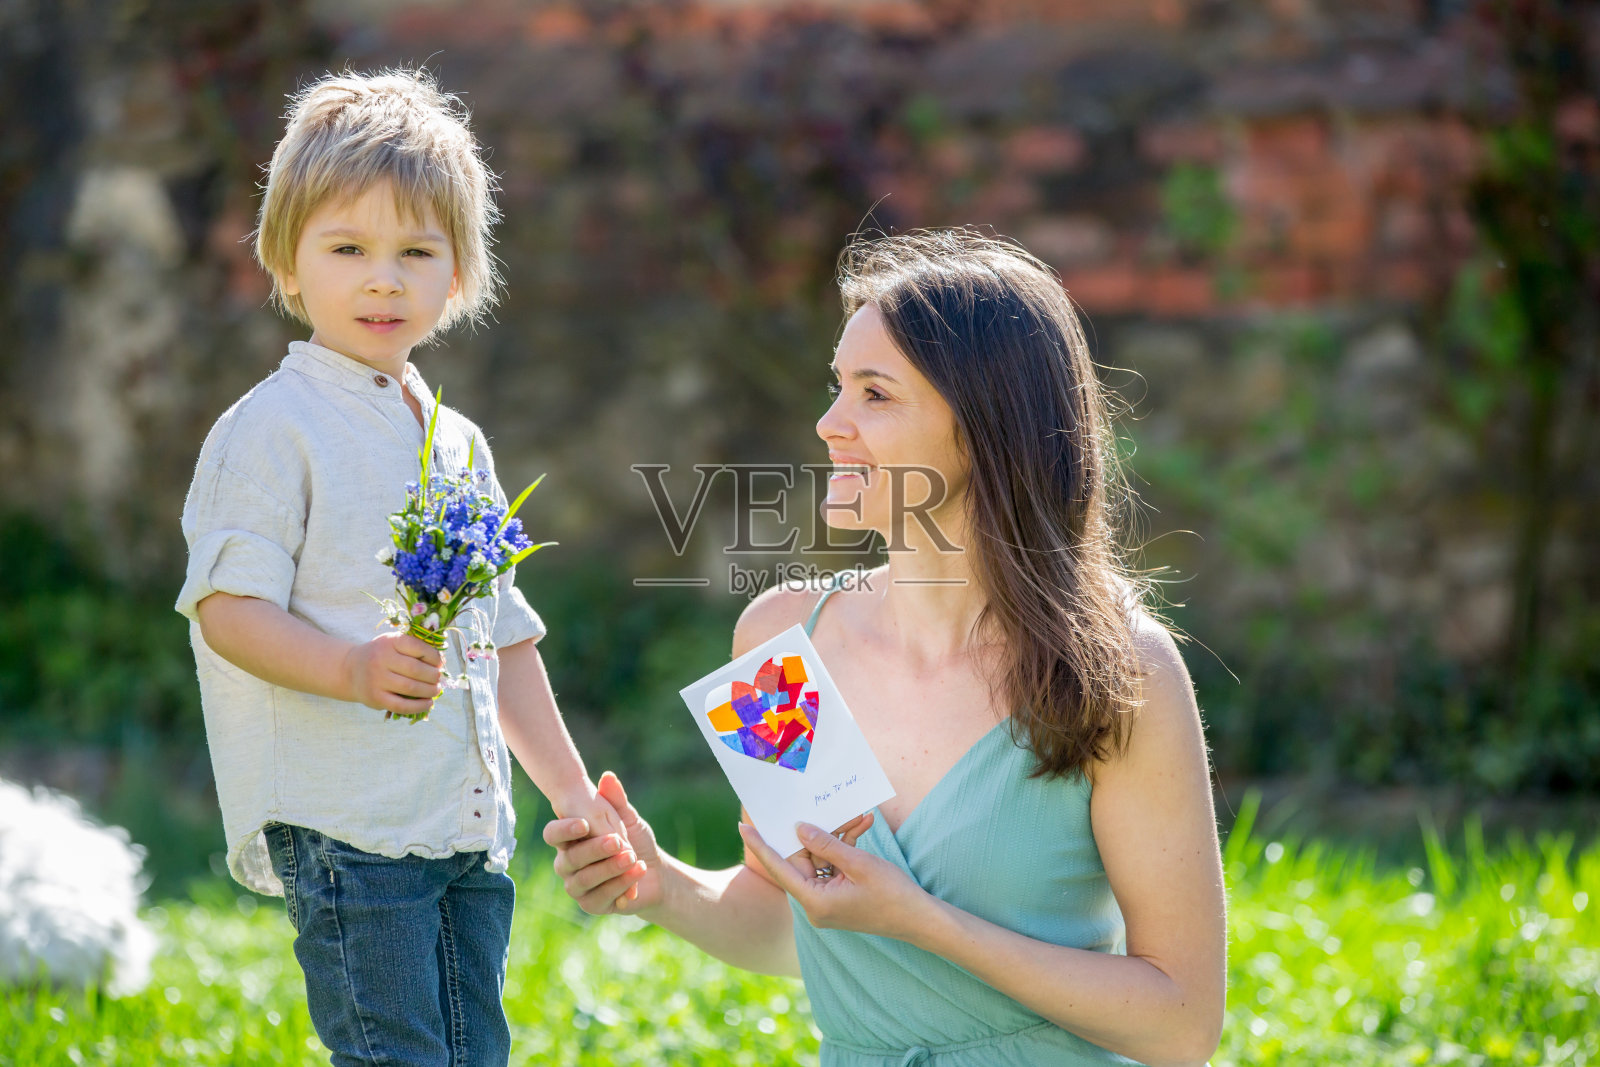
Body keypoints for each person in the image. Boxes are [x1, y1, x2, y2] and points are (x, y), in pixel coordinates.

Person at [545, 230, 1227, 1066]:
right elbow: (803, 926)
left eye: (875, 394)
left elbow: (1182, 1023)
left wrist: (926, 922)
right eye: (839, 388)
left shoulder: (1121, 671)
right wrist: (661, 886)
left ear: (984, 428)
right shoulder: (779, 640)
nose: (831, 424)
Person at [174, 69, 622, 1067]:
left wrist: (571, 793)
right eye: (347, 249)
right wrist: (348, 667)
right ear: (286, 262)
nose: (383, 279)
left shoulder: (457, 440)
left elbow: (501, 633)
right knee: (395, 1052)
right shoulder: (272, 429)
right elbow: (226, 607)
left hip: (458, 822)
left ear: (458, 273)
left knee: (473, 1049)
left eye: (416, 251)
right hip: (350, 825)